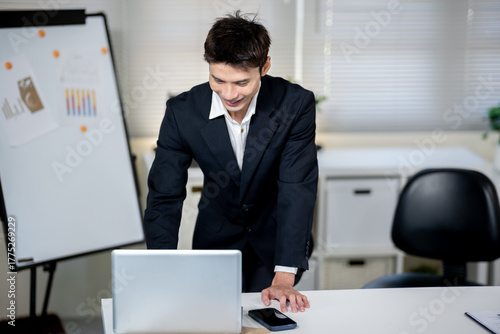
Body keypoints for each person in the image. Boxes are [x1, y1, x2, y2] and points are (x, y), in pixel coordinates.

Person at [144, 11, 318, 313]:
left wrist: (285, 273)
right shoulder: (181, 112)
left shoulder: (295, 104)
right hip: (217, 236)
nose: (229, 94)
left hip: (275, 237)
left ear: (265, 67)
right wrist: (161, 267)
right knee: (213, 317)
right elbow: (165, 195)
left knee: (262, 317)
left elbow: (296, 187)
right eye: (218, 80)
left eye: (241, 82)